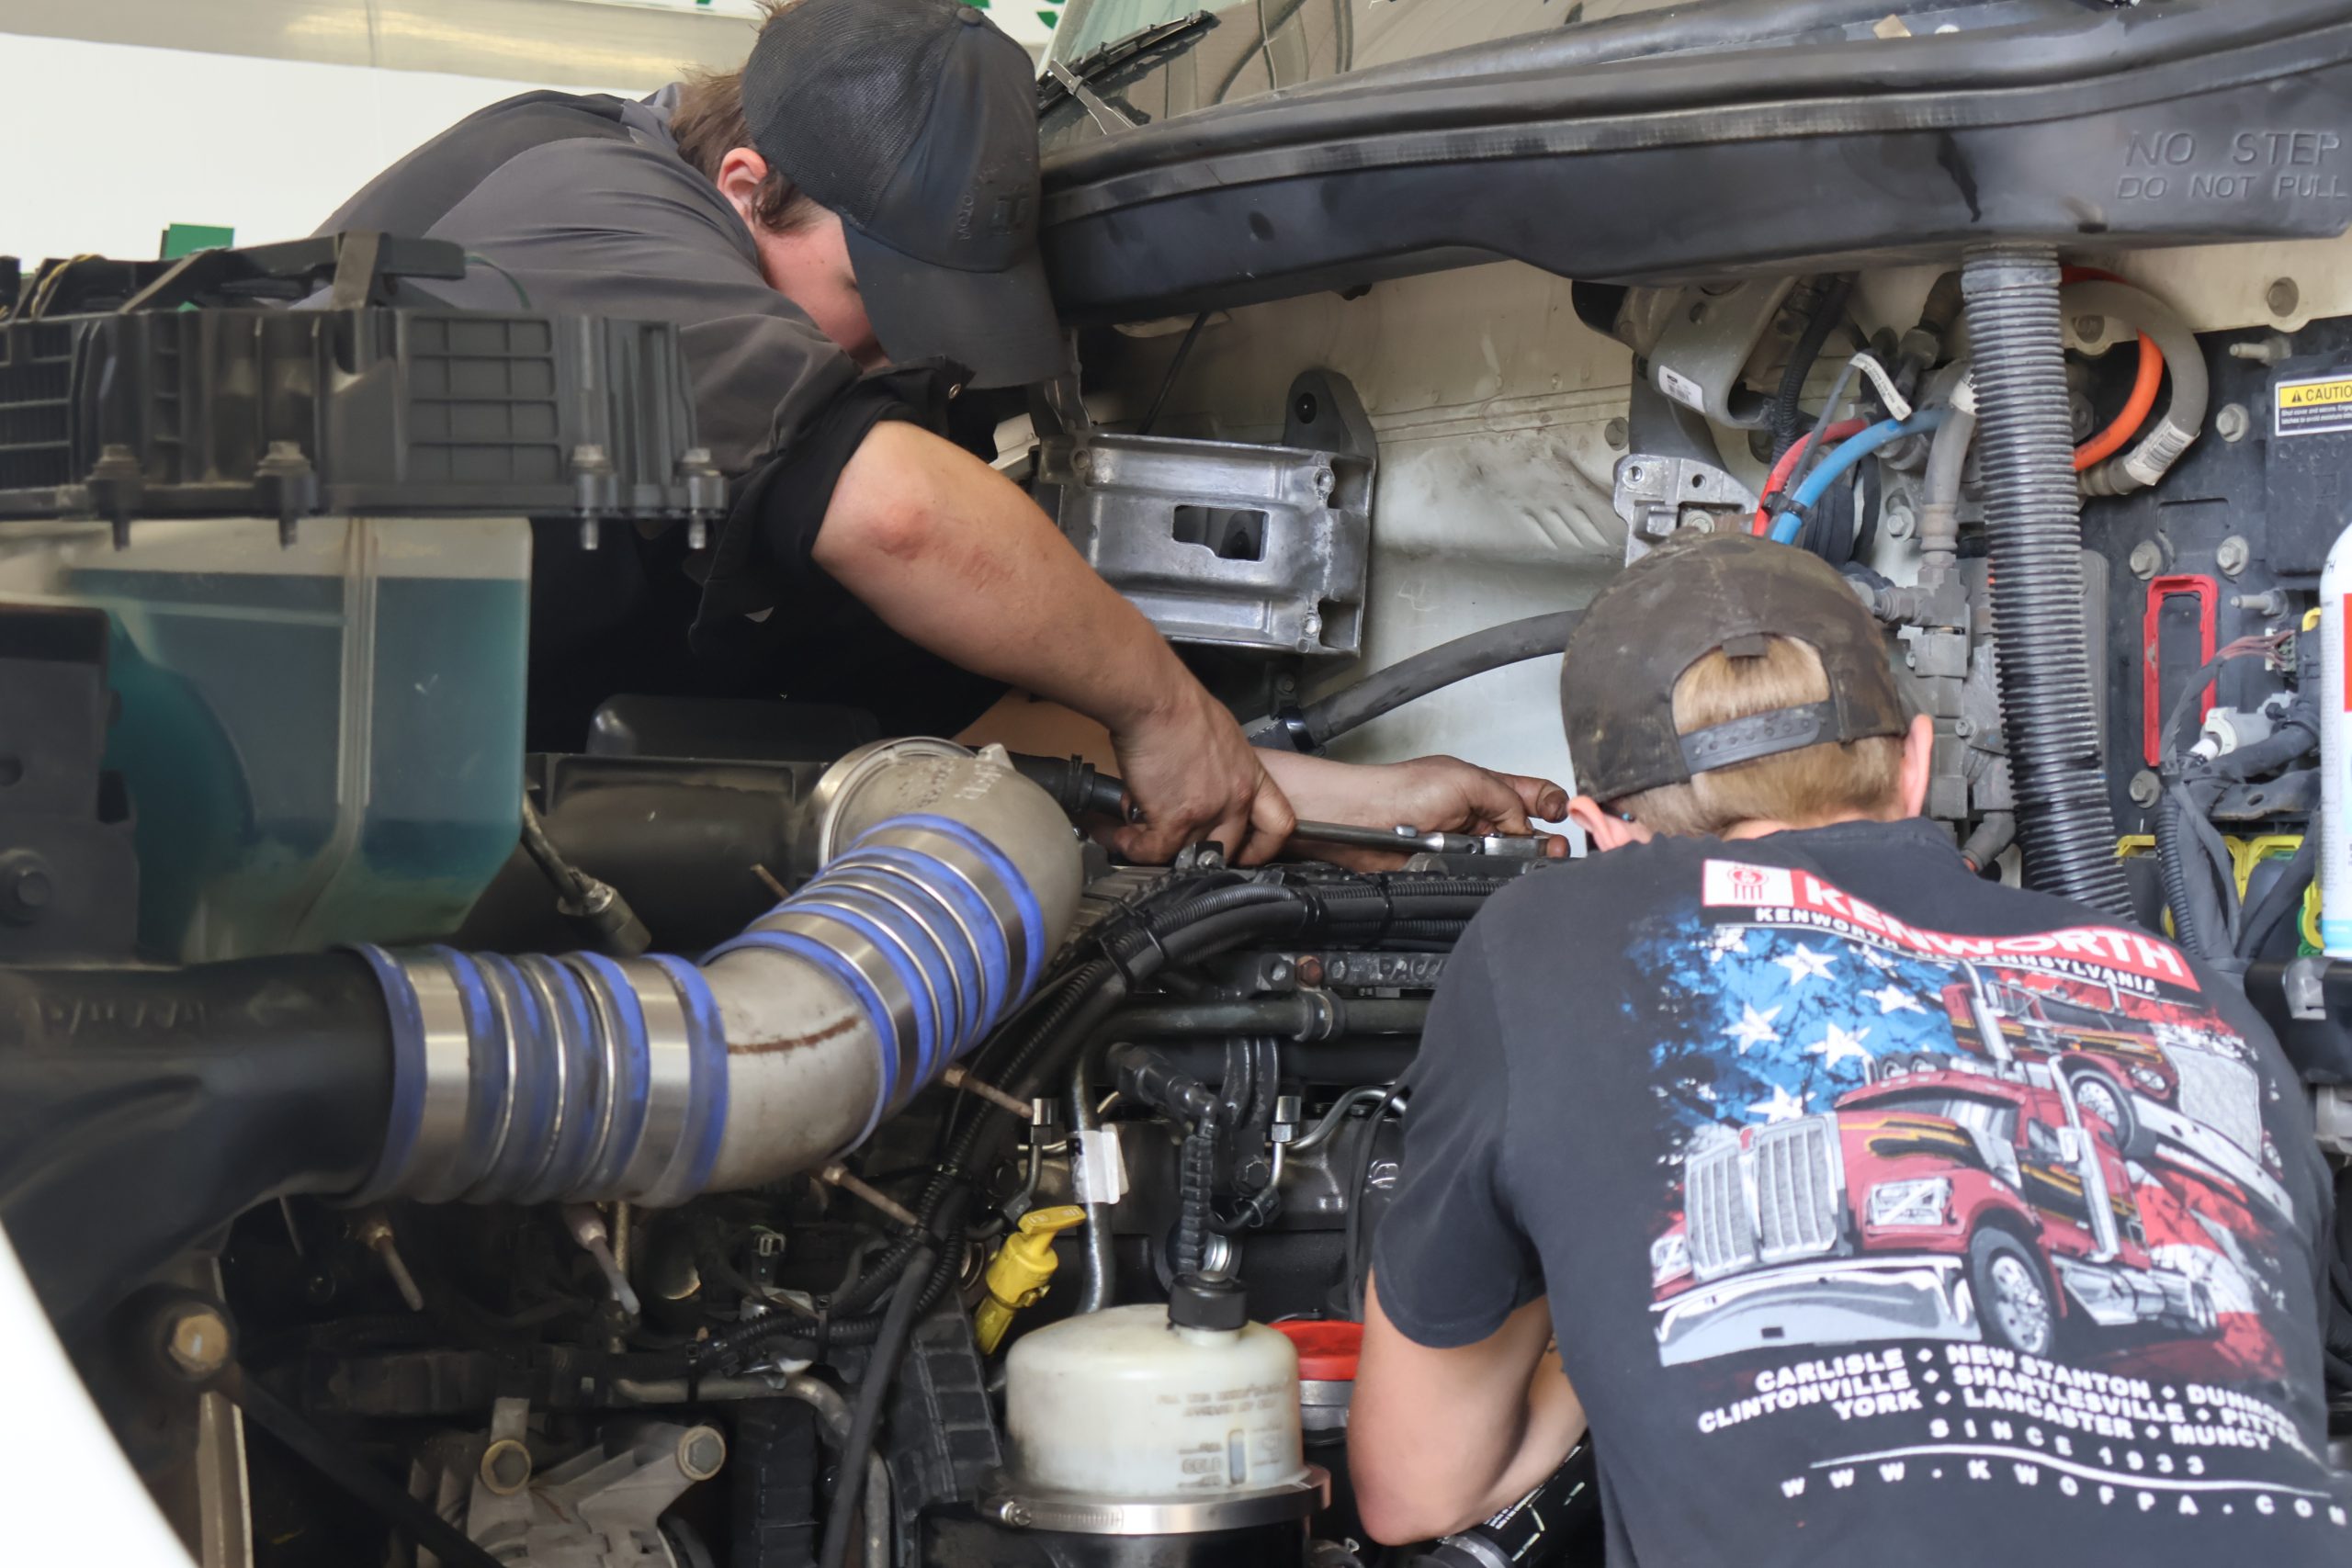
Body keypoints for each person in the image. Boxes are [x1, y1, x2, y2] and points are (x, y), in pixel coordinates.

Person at [317, 0, 1558, 865]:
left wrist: (1350, 803)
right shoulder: (584, 205)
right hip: (261, 832)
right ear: (746, 185)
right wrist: (1168, 706)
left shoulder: (735, 419)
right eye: (875, 304)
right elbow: (902, 513)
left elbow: (944, 725)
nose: (884, 358)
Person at [1350, 531, 2350, 1562]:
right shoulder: (2191, 999)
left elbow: (1418, 1488)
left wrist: (1614, 1285)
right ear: (1916, 763)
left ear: (1604, 830)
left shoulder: (1545, 939)